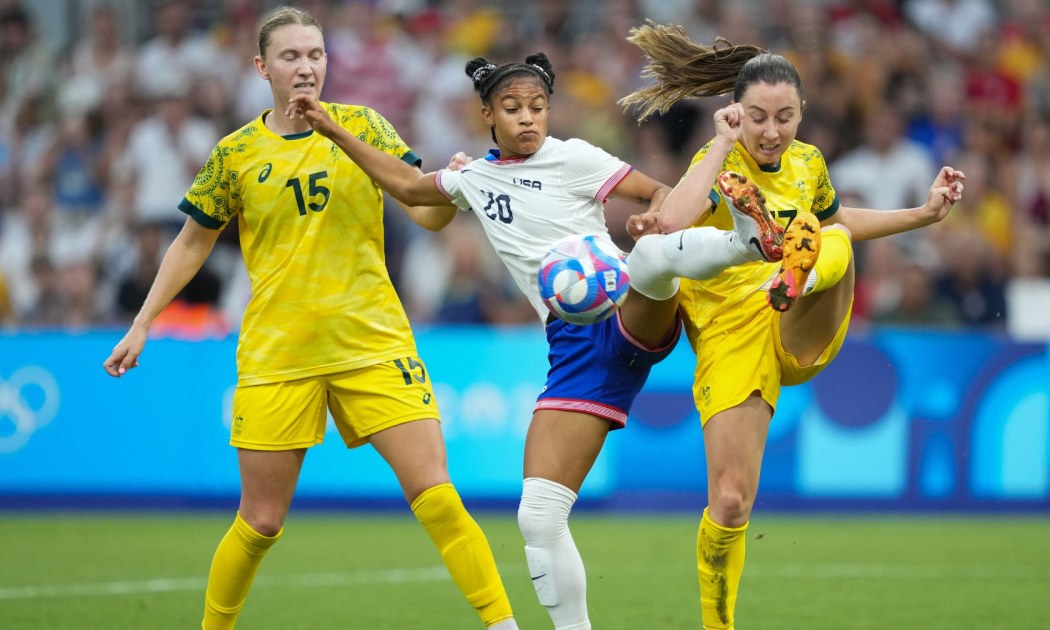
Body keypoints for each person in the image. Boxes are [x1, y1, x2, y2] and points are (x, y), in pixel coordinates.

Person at [286, 51, 783, 630]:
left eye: (538, 107)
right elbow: (405, 184)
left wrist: (652, 217)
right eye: (513, 108)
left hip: (628, 308)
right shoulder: (472, 178)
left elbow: (658, 193)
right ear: (488, 116)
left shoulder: (575, 158)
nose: (528, 118)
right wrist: (330, 127)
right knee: (539, 516)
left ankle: (750, 242)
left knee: (648, 255)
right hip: (573, 350)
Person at [101, 7, 517, 630]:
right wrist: (142, 323)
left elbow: (423, 208)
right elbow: (193, 241)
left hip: (372, 342)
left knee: (436, 495)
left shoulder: (363, 125)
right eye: (291, 56)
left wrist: (453, 191)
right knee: (261, 519)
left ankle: (504, 626)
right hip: (278, 351)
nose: (306, 66)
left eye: (316, 54)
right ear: (262, 67)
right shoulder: (236, 153)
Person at [618, 23, 966, 629]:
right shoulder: (715, 158)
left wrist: (925, 214)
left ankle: (795, 268)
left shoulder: (808, 164)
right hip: (732, 333)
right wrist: (721, 147)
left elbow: (844, 221)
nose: (772, 131)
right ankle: (719, 625)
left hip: (799, 310)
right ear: (736, 115)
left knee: (829, 237)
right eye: (757, 118)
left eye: (785, 117)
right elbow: (669, 223)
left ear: (802, 115)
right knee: (729, 502)